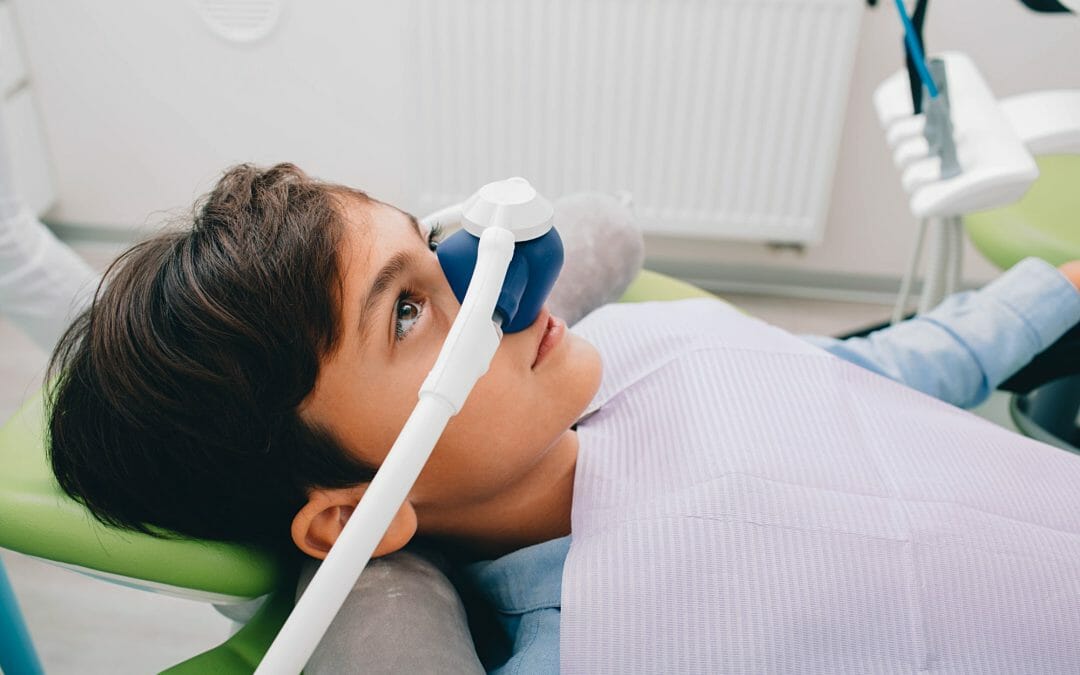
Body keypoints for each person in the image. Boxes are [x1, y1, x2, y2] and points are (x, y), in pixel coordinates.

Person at [46, 164, 1080, 672]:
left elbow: (869, 378)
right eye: (409, 310)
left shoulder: (645, 343)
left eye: (442, 252)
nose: (503, 291)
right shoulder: (590, 648)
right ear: (354, 509)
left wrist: (1056, 288)